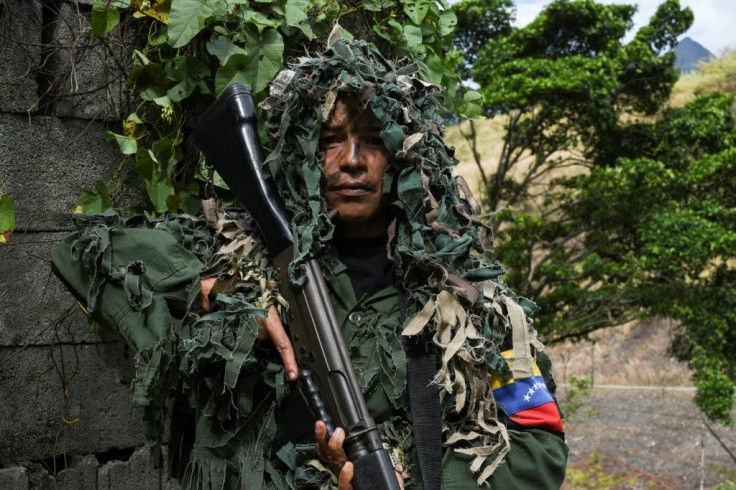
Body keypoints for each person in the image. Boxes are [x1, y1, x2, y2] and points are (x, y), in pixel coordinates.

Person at [52, 36, 568, 489]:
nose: (350, 160)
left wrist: (409, 475)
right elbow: (82, 253)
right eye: (329, 140)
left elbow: (539, 447)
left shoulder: (469, 304)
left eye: (372, 140)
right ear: (300, 154)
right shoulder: (244, 250)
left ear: (406, 156)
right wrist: (219, 295)